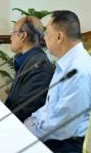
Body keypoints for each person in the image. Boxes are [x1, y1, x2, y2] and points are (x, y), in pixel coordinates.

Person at [24, 10, 91, 153]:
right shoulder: (66, 62)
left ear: (59, 36)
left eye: (47, 32)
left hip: (67, 145)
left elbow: (63, 127)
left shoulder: (77, 70)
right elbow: (49, 109)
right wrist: (30, 122)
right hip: (57, 138)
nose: (44, 37)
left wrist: (27, 133)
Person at [4, 16, 54, 122]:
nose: (10, 37)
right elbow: (13, 102)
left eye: (13, 32)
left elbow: (24, 111)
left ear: (23, 35)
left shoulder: (39, 66)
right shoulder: (27, 60)